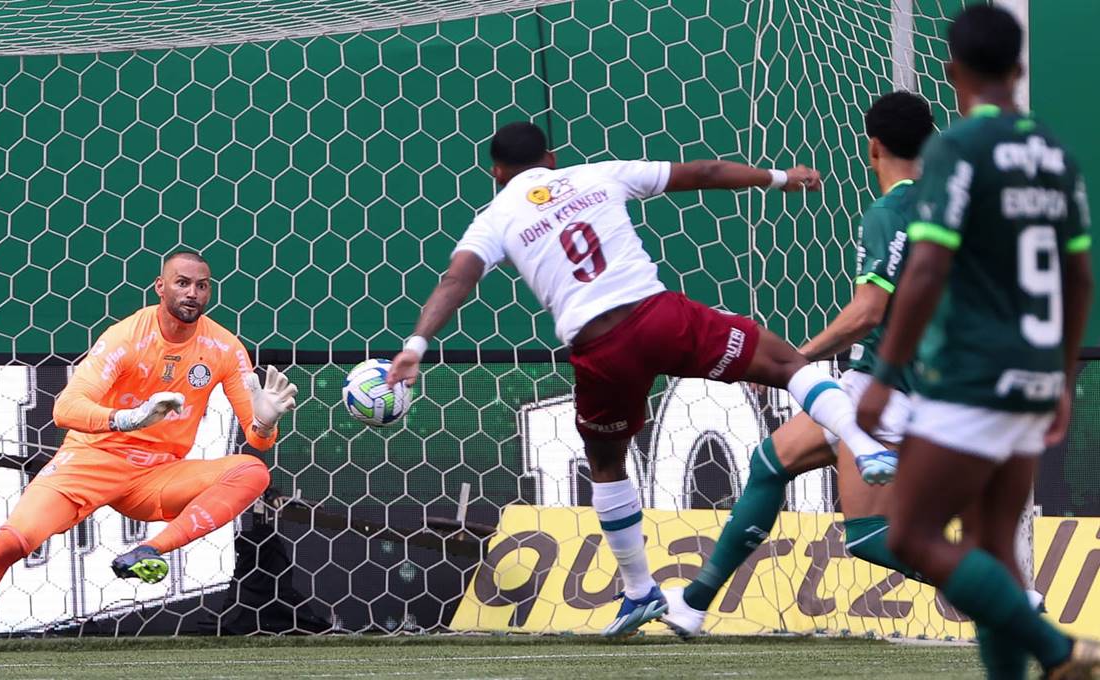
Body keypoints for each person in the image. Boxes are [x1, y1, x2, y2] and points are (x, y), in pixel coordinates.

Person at [386, 121, 897, 638]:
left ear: (496, 171)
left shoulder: (494, 218)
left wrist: (415, 346)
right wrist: (779, 177)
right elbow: (706, 171)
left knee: (606, 465)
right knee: (788, 365)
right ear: (552, 157)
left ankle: (638, 592)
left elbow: (457, 279)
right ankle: (862, 444)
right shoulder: (598, 174)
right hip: (658, 318)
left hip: (598, 350)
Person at [0, 251, 298, 668]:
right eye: (182, 283)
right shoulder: (126, 336)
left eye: (202, 285)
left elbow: (258, 440)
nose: (193, 293)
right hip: (89, 461)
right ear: (160, 287)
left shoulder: (224, 347)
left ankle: (148, 550)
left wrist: (267, 420)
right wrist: (128, 418)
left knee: (250, 472)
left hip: (158, 474)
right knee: (10, 543)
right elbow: (65, 408)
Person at [855, 6, 1098, 678]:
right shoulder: (1053, 151)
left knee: (911, 535)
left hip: (969, 374)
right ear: (1019, 68)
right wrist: (1063, 382)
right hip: (1034, 375)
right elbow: (1078, 275)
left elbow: (927, 267)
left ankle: (1056, 648)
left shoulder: (954, 151)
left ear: (951, 71)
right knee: (993, 550)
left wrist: (885, 372)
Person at [661, 91, 937, 636]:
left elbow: (866, 311)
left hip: (885, 386)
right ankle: (692, 604)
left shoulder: (889, 212)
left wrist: (794, 362)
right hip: (908, 380)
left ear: (872, 146)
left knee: (867, 536)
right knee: (771, 462)